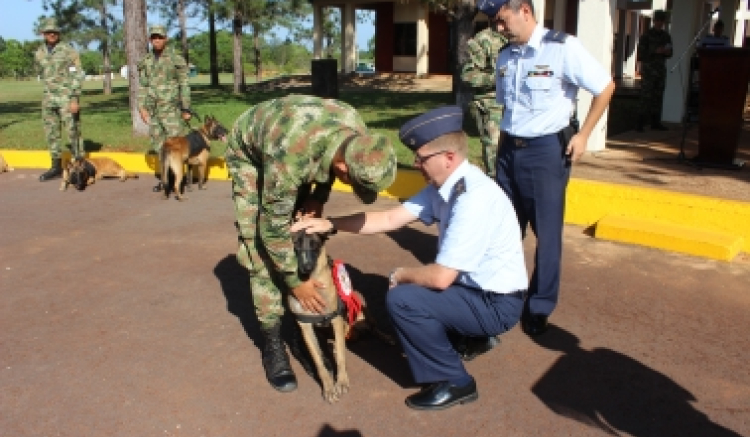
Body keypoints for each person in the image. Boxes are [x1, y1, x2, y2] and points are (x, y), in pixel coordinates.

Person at [291, 106, 528, 411]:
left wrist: (401, 274)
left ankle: (454, 381)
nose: (416, 163)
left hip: (495, 304)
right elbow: (389, 218)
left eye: (422, 157)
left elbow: (441, 277)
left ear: (449, 157)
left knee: (404, 299)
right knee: (417, 291)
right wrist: (331, 224)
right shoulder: (447, 185)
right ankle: (471, 338)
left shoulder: (472, 200)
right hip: (476, 291)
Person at [226, 94, 397, 393]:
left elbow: (329, 163)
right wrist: (295, 282)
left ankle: (298, 327)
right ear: (345, 168)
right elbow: (271, 228)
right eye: (353, 183)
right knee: (261, 249)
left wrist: (318, 197)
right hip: (253, 151)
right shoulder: (290, 159)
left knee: (300, 225)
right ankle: (273, 342)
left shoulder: (355, 131)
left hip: (299, 145)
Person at [477, 0, 615, 336]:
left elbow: (604, 86)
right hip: (509, 151)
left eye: (502, 20)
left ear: (524, 10)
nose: (499, 28)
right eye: (495, 23)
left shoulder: (562, 48)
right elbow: (509, 107)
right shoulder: (507, 57)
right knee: (504, 229)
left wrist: (583, 135)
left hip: (545, 154)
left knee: (547, 235)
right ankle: (501, 295)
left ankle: (539, 305)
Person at [137, 25, 192, 192]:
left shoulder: (176, 59)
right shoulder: (146, 61)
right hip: (154, 111)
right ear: (150, 40)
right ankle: (165, 179)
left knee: (176, 145)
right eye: (154, 38)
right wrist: (142, 107)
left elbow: (184, 84)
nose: (157, 40)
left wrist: (186, 108)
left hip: (172, 110)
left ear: (165, 39)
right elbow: (143, 86)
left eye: (160, 37)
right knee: (160, 146)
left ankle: (181, 178)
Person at [34, 18, 84, 181]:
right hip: (48, 99)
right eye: (49, 32)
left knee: (73, 132)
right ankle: (55, 166)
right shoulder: (39, 52)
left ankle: (79, 168)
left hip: (66, 98)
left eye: (55, 32)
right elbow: (42, 73)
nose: (52, 34)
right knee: (51, 134)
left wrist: (74, 98)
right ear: (43, 34)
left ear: (59, 33)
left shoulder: (68, 51)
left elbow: (78, 74)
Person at [461, 20, 508, 177]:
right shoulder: (482, 40)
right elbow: (468, 76)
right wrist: (498, 79)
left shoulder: (519, 39)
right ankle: (495, 188)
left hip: (518, 104)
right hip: (492, 105)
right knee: (494, 150)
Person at [636, 9, 673, 132]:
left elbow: (670, 52)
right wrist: (654, 51)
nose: (660, 23)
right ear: (654, 21)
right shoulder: (647, 35)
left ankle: (655, 122)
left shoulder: (666, 36)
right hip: (649, 70)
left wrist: (666, 52)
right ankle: (640, 123)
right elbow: (641, 53)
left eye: (662, 21)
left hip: (660, 70)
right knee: (646, 96)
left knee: (658, 96)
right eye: (658, 20)